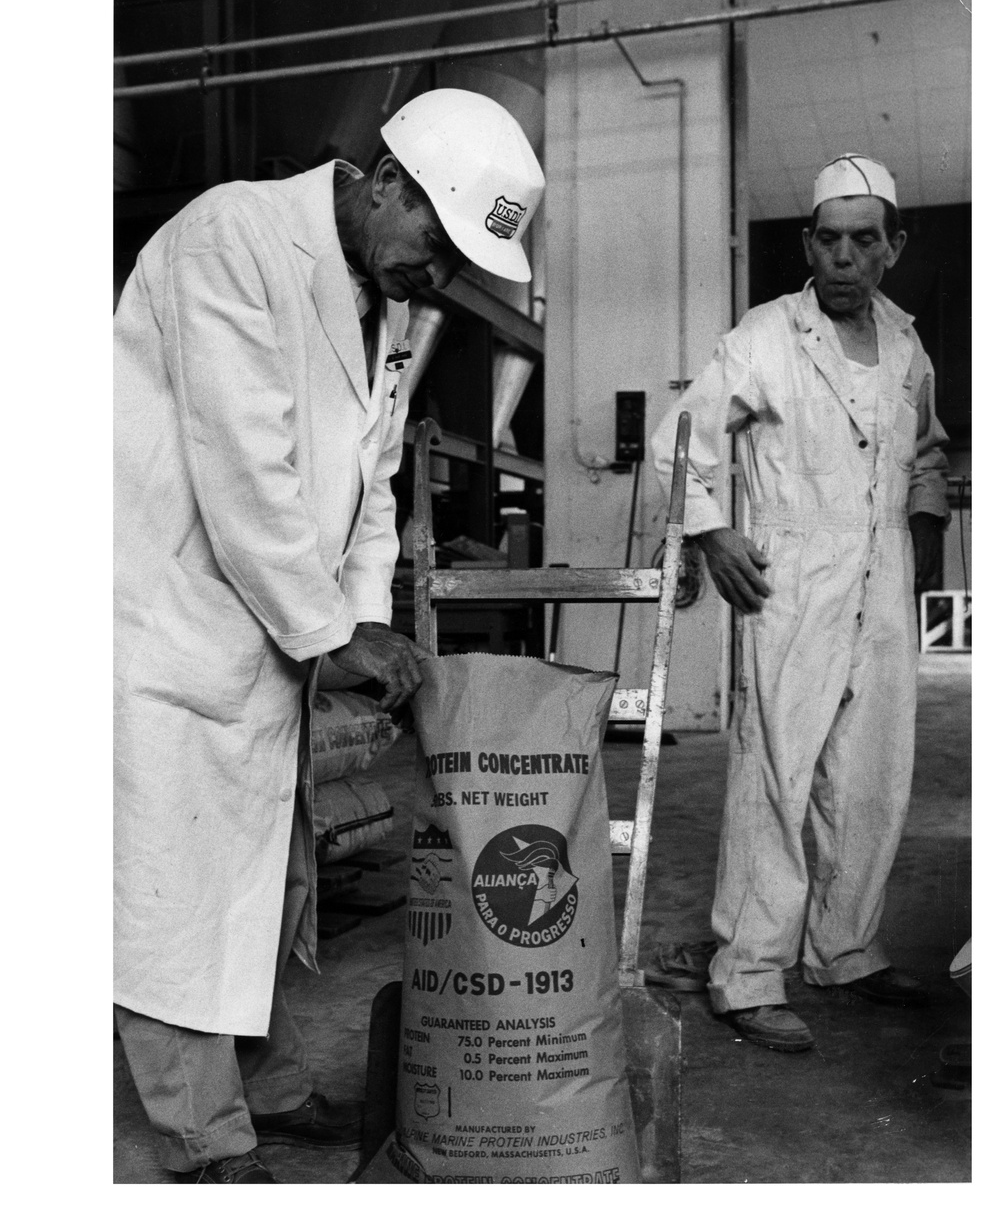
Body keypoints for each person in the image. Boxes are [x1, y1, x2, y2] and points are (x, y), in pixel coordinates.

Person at [114, 88, 545, 1181]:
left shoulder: (385, 307)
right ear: (387, 180)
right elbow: (241, 465)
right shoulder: (233, 238)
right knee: (173, 882)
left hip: (266, 636)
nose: (434, 276)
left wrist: (361, 612)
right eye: (433, 242)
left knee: (265, 878)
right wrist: (327, 631)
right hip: (169, 623)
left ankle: (264, 1086)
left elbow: (376, 486)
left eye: (454, 263)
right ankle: (203, 1135)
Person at [651, 154, 949, 1053]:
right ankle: (746, 973)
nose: (845, 257)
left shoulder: (906, 345)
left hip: (884, 575)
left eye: (866, 240)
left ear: (893, 247)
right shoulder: (765, 336)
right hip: (793, 573)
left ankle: (845, 949)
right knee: (774, 775)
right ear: (807, 242)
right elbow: (680, 441)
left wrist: (925, 530)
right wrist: (711, 532)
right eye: (830, 238)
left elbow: (926, 452)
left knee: (871, 778)